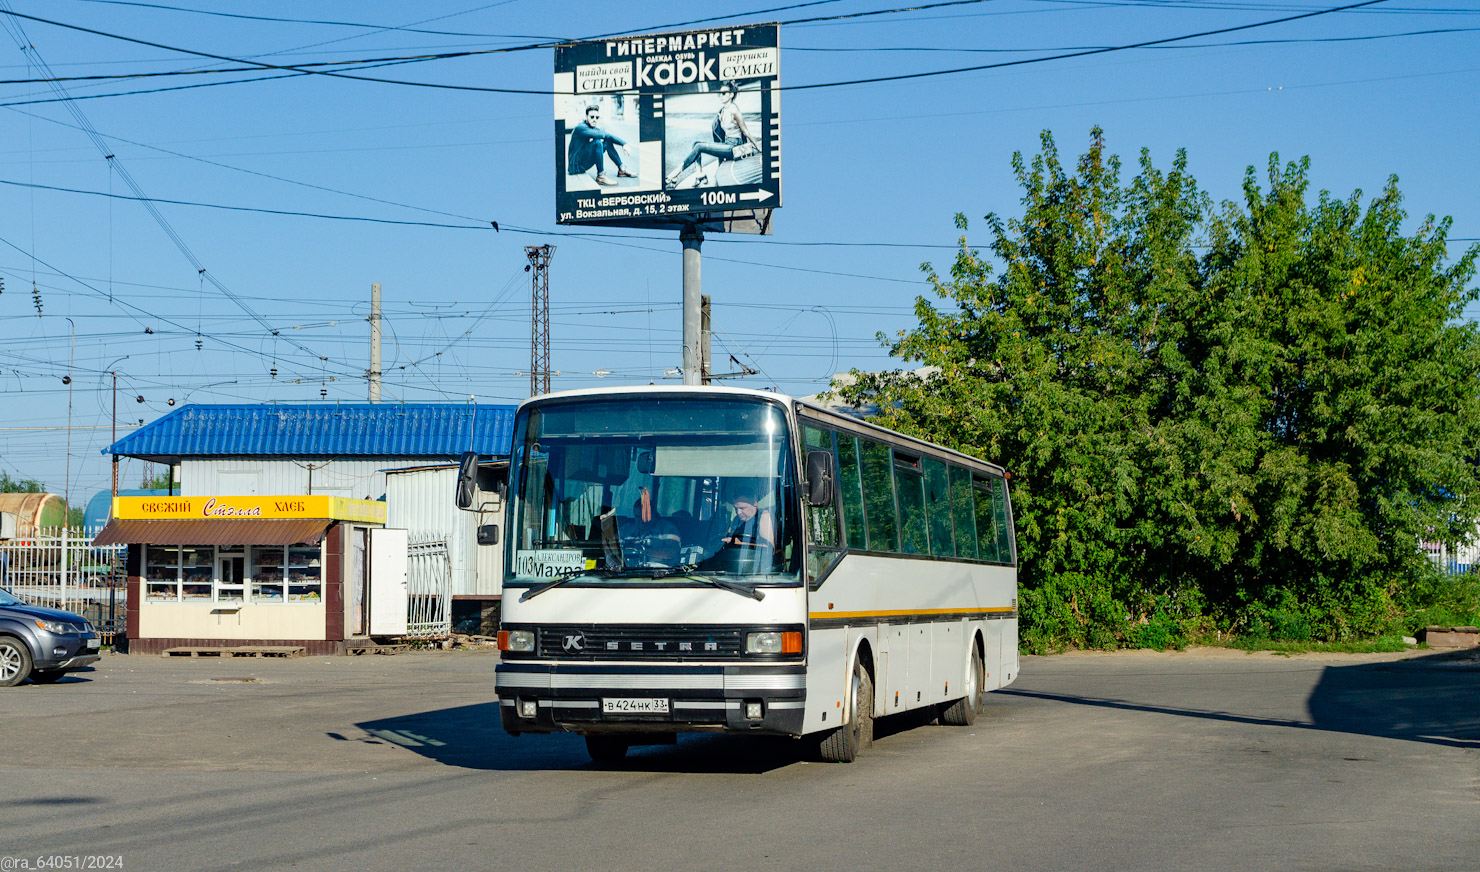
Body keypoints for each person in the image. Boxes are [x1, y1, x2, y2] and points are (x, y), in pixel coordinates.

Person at [664, 81, 760, 190]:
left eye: (724, 93)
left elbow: (745, 132)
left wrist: (757, 147)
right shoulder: (723, 111)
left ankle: (674, 174)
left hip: (734, 147)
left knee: (699, 147)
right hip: (726, 144)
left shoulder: (734, 110)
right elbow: (719, 135)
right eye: (720, 93)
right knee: (696, 143)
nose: (721, 96)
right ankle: (700, 174)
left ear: (731, 94)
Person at [567, 105, 635, 187]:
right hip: (575, 167)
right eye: (592, 117)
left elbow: (607, 136)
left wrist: (624, 144)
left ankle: (622, 169)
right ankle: (601, 176)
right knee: (597, 143)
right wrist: (601, 129)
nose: (594, 120)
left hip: (582, 162)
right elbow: (602, 134)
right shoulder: (581, 127)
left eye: (597, 117)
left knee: (607, 142)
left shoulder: (591, 127)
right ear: (586, 117)